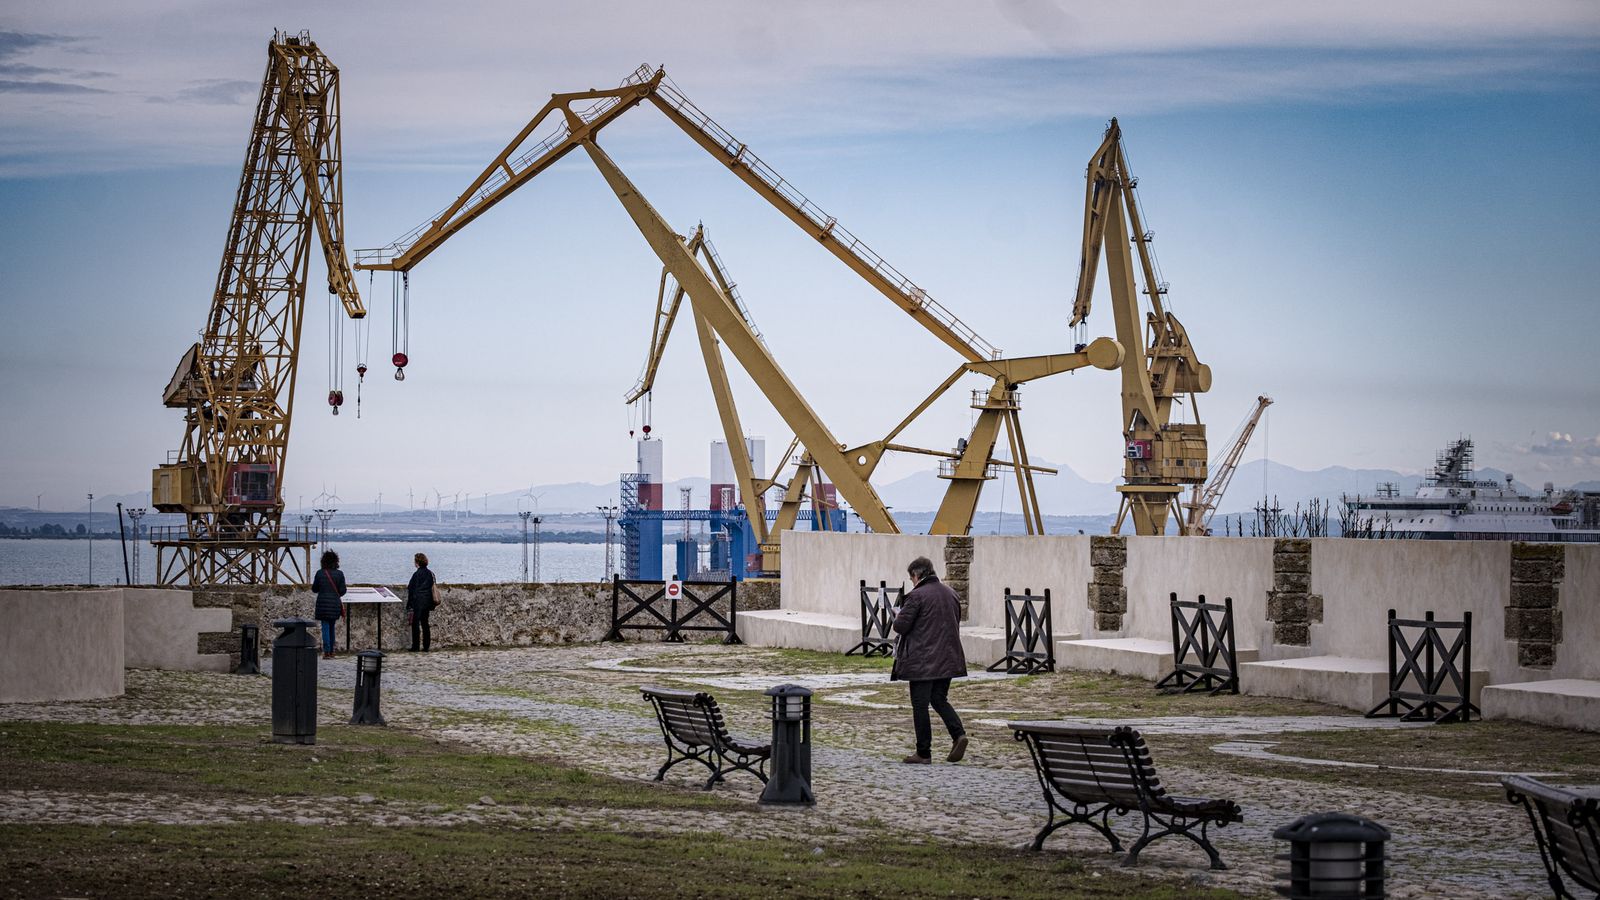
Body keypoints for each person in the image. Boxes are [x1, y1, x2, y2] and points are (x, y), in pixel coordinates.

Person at [890, 556, 968, 764]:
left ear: (916, 575)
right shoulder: (951, 593)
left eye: (911, 578)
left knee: (920, 704)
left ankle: (923, 752)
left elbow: (901, 626)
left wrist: (897, 616)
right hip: (949, 657)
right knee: (939, 699)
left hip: (923, 660)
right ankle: (958, 734)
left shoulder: (917, 596)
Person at [311, 550, 346, 660]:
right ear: (336, 561)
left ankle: (326, 652)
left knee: (325, 627)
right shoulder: (340, 574)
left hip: (322, 604)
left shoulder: (320, 573)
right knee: (332, 627)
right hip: (335, 604)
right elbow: (343, 590)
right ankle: (332, 651)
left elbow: (314, 589)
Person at [407, 552, 439, 652]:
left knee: (416, 624)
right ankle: (426, 646)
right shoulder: (430, 573)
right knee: (425, 623)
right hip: (427, 601)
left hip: (418, 601)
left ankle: (416, 646)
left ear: (417, 562)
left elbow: (411, 589)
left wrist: (410, 604)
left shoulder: (416, 574)